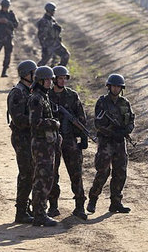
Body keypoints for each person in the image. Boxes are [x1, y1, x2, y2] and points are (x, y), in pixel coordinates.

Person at [87, 74, 134, 215]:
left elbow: (131, 120)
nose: (116, 88)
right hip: (106, 142)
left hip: (120, 142)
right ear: (109, 87)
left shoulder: (125, 103)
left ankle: (116, 202)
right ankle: (93, 199)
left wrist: (126, 130)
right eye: (113, 86)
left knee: (120, 172)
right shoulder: (102, 102)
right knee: (103, 172)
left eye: (118, 86)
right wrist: (112, 132)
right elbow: (98, 123)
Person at [47, 66, 88, 221]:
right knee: (52, 173)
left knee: (76, 173)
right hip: (52, 140)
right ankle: (53, 206)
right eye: (60, 78)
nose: (63, 80)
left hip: (70, 140)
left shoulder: (72, 95)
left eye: (65, 78)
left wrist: (83, 137)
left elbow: (80, 117)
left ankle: (79, 206)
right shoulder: (47, 96)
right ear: (54, 79)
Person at [28, 65, 61, 227]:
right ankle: (39, 214)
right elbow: (35, 123)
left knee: (47, 177)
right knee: (42, 179)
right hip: (41, 145)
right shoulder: (36, 98)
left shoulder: (44, 96)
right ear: (40, 81)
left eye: (50, 79)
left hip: (46, 144)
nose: (49, 82)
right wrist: (53, 123)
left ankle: (40, 212)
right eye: (46, 80)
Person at [7, 60, 38, 224]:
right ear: (27, 74)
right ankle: (21, 211)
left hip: (30, 138)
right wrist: (37, 120)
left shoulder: (30, 91)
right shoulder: (18, 93)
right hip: (22, 138)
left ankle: (27, 208)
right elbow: (18, 119)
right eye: (34, 72)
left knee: (32, 173)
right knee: (26, 174)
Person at [0, 0, 19, 78]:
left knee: (7, 56)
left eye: (6, 6)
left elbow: (16, 25)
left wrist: (7, 22)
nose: (5, 7)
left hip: (8, 38)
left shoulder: (11, 15)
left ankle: (4, 71)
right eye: (4, 6)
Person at [37, 2, 70, 66]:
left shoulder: (52, 19)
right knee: (43, 62)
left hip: (56, 43)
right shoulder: (43, 22)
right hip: (48, 45)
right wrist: (44, 47)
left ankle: (60, 72)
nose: (54, 12)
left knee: (66, 55)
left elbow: (55, 31)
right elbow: (41, 36)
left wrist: (58, 30)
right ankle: (36, 74)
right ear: (49, 10)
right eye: (53, 11)